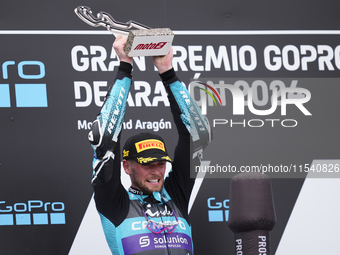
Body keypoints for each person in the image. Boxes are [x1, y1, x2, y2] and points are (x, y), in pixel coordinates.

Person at [88, 34, 211, 255]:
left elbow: (198, 134)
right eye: (146, 164)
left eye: (160, 163)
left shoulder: (177, 196)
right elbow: (105, 137)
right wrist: (125, 65)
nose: (156, 171)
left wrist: (167, 71)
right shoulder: (114, 203)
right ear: (127, 166)